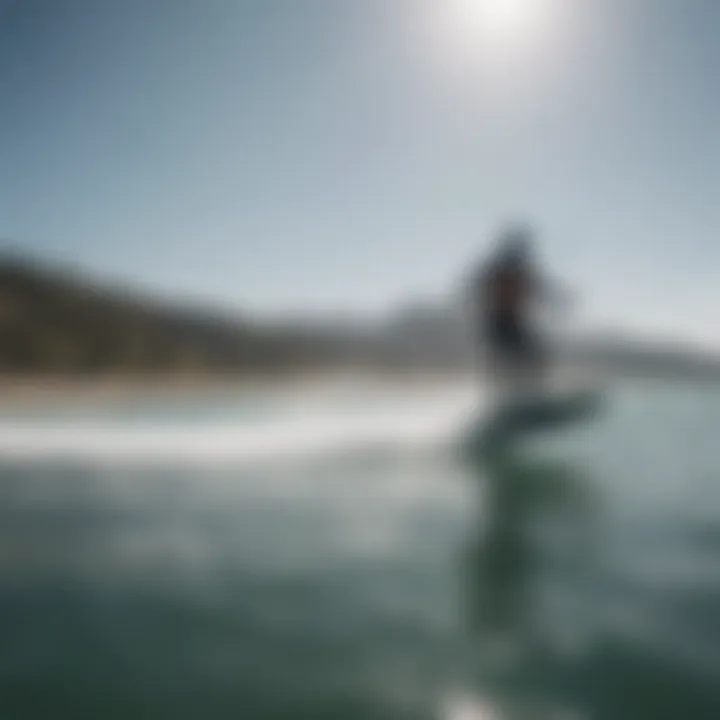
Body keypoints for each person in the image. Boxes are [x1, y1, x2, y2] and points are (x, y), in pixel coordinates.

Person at [468, 224, 564, 396]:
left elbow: (539, 289)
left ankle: (531, 391)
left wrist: (556, 299)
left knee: (535, 353)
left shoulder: (522, 272)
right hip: (497, 321)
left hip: (514, 321)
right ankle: (500, 393)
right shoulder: (497, 269)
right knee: (504, 356)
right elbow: (478, 289)